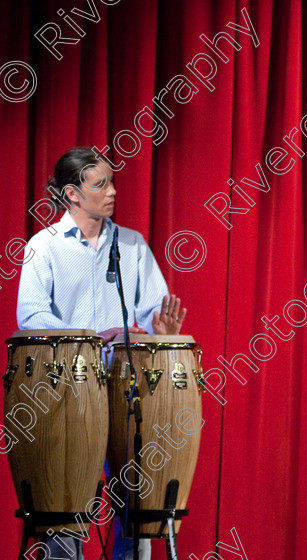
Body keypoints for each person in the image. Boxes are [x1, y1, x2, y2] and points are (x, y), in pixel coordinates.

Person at [16, 147, 187, 559]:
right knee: (65, 499)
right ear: (72, 194)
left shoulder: (132, 244)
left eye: (111, 181)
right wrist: (92, 337)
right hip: (66, 390)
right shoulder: (45, 246)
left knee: (134, 500)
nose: (112, 191)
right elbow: (30, 315)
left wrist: (162, 331)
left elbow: (153, 311)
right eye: (100, 184)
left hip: (129, 387)